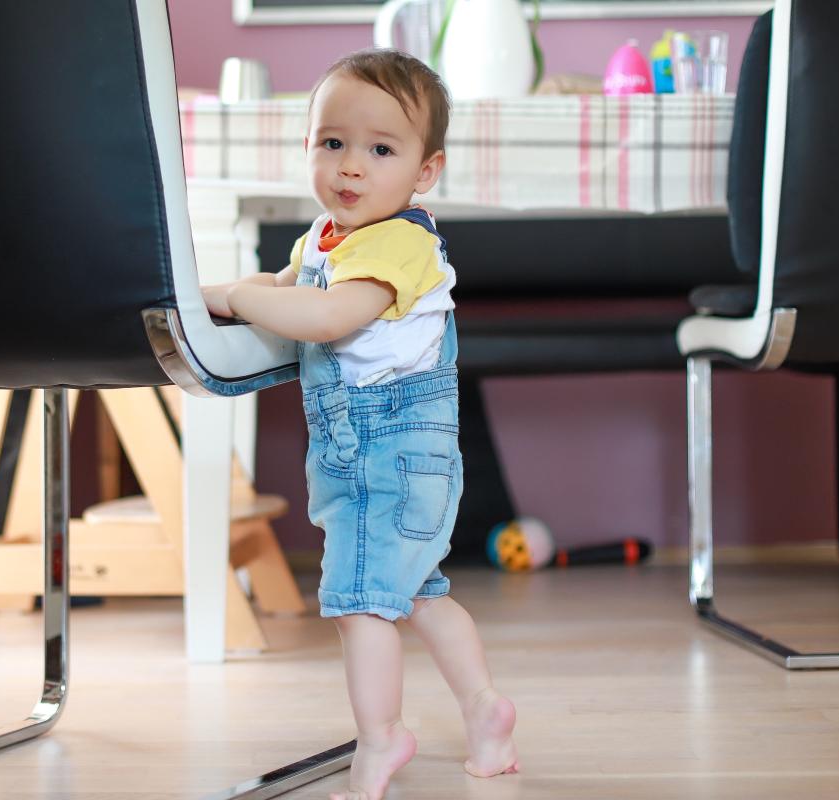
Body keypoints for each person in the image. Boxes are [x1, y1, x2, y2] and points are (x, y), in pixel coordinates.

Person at [201, 48, 519, 800]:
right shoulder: (325, 235)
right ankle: (485, 709)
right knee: (418, 592)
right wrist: (217, 294)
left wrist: (242, 302)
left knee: (358, 605)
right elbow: (285, 286)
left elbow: (326, 316)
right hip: (371, 451)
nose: (350, 166)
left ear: (424, 171)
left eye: (380, 150)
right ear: (308, 145)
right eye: (333, 142)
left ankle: (382, 740)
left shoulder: (401, 242)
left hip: (391, 450)